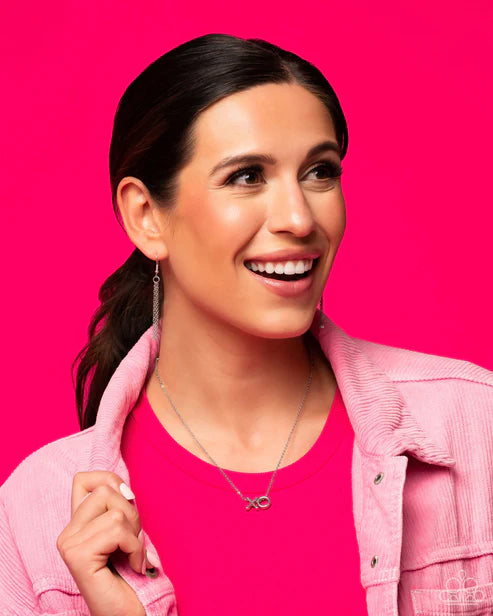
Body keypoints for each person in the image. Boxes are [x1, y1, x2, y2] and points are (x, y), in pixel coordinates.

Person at [1, 33, 493, 616]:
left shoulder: (474, 428)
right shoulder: (34, 516)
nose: (299, 218)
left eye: (319, 171)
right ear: (146, 215)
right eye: (247, 176)